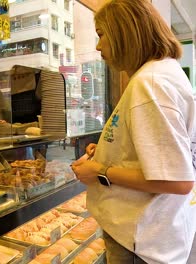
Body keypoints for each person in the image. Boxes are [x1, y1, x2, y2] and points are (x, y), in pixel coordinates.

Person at [70, 1, 196, 263]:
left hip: (141, 244)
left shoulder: (149, 84)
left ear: (123, 32)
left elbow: (177, 181)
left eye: (101, 35)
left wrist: (100, 171)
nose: (97, 46)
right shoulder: (162, 74)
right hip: (152, 235)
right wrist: (107, 151)